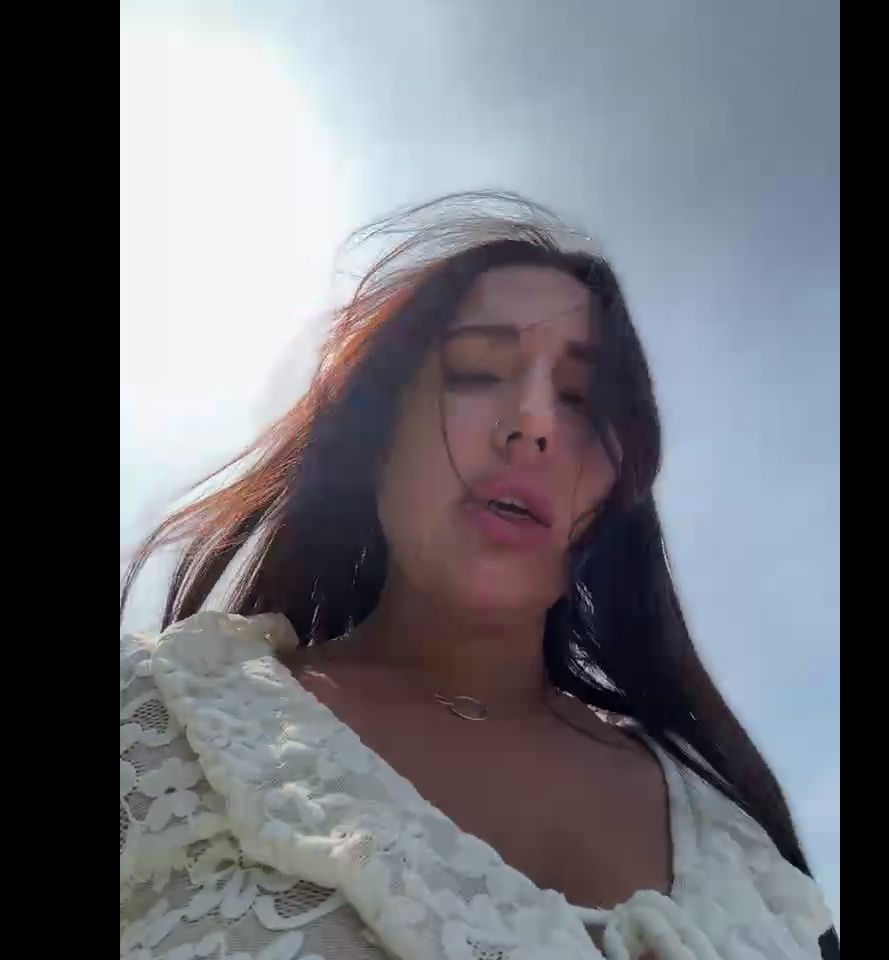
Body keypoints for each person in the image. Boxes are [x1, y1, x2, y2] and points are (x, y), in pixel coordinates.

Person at [120, 193, 838, 959]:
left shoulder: (743, 853)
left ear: (615, 485)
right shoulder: (162, 722)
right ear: (375, 437)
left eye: (582, 400)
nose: (535, 422)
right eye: (476, 371)